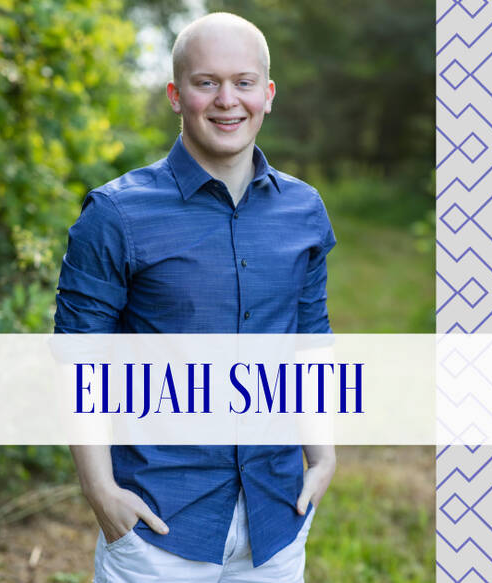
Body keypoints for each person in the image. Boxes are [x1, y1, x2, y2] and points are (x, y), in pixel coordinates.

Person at [54, 12, 336, 583]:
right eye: (207, 82)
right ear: (176, 94)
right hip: (160, 525)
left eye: (244, 82)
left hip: (275, 520)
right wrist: (100, 491)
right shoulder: (116, 215)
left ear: (268, 94)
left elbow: (309, 344)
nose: (227, 100)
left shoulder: (304, 210)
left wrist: (322, 455)